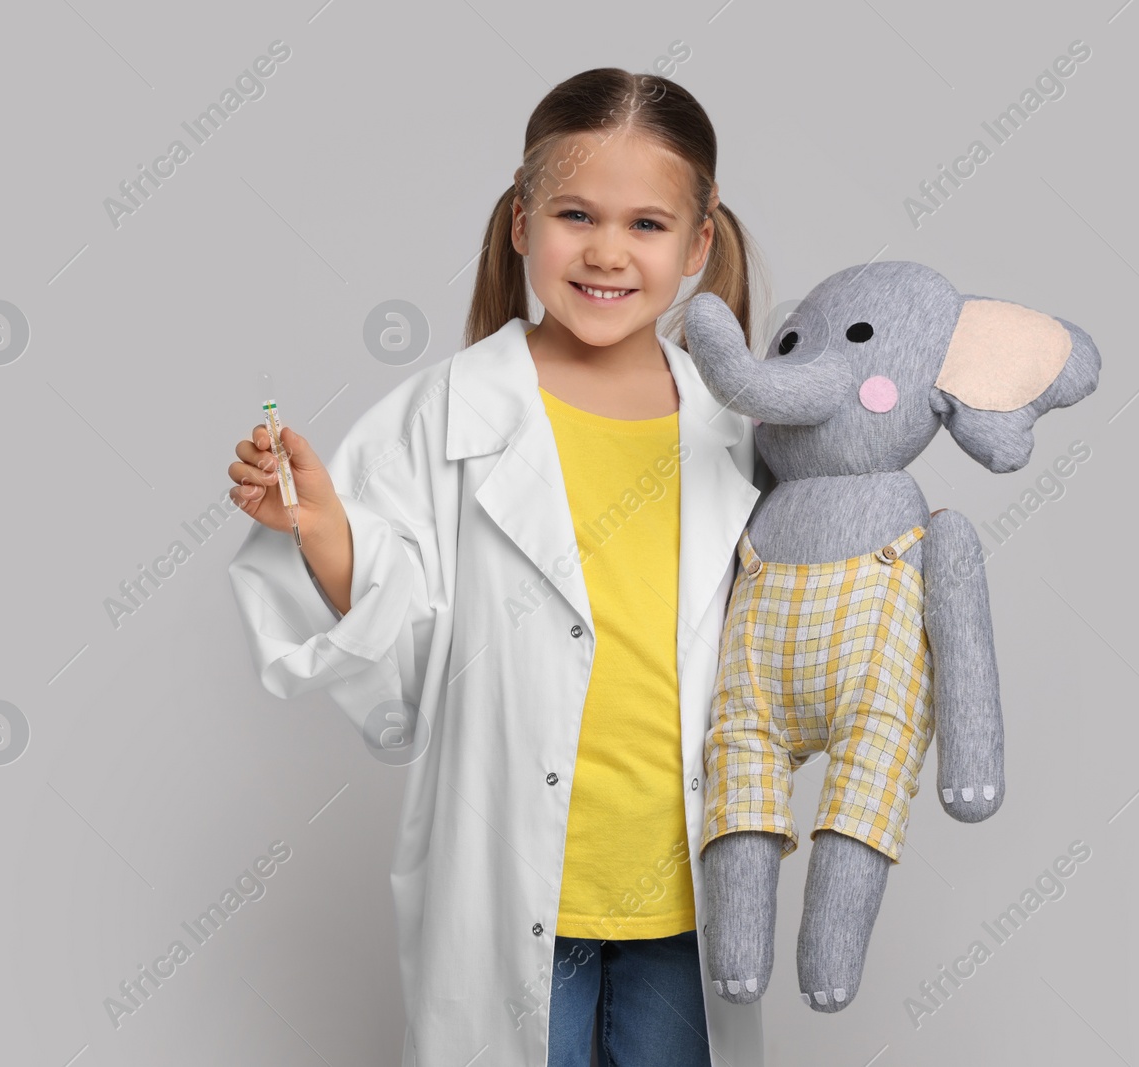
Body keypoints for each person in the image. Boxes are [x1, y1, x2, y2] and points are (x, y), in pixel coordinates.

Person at [226, 67, 770, 1067]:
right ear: (522, 223)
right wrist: (321, 533)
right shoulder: (444, 415)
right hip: (518, 885)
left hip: (687, 899)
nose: (607, 251)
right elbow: (400, 679)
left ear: (699, 244)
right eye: (575, 213)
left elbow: (786, 635)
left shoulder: (740, 430)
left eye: (647, 225)